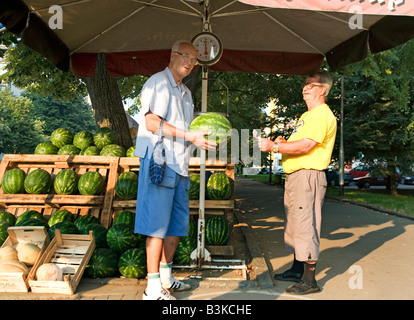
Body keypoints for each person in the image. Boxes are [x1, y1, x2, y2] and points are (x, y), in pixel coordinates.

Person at [134, 40, 216, 300]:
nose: (190, 63)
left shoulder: (185, 92)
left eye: (194, 60)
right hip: (160, 163)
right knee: (157, 227)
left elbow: (186, 129)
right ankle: (152, 289)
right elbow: (151, 122)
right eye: (186, 56)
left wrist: (200, 134)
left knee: (176, 226)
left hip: (180, 166)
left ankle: (167, 278)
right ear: (172, 55)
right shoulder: (158, 83)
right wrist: (190, 137)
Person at [258, 71, 337, 295]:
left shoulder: (322, 115)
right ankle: (296, 270)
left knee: (305, 225)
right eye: (305, 84)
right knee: (294, 226)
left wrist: (274, 147)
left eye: (311, 85)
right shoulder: (307, 115)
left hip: (308, 176)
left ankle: (310, 280)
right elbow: (298, 143)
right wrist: (283, 142)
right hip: (296, 176)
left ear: (323, 89)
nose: (305, 88)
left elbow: (306, 146)